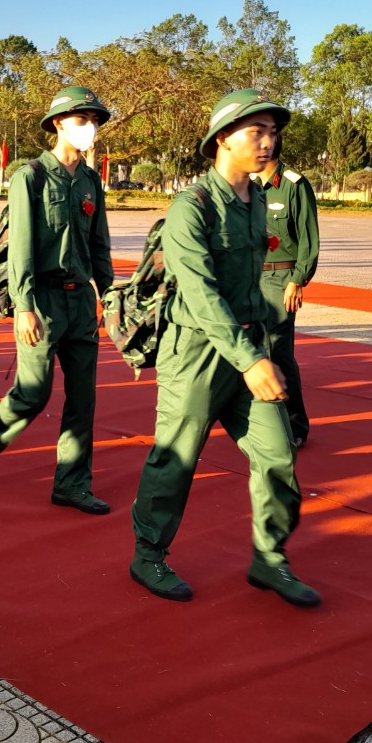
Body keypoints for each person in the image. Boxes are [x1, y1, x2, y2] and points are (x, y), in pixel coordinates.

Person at [129, 89, 317, 607]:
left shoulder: (256, 198)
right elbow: (200, 292)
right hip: (196, 353)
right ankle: (148, 554)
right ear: (221, 140)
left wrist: (262, 346)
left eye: (273, 132)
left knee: (278, 455)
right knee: (176, 458)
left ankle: (269, 559)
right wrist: (252, 358)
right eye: (256, 132)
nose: (268, 142)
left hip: (248, 346)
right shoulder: (191, 206)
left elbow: (249, 284)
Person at [0, 86, 114, 514]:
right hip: (41, 300)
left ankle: (72, 483)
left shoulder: (90, 181)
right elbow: (23, 246)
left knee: (84, 399)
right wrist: (24, 305)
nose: (90, 128)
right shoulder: (30, 175)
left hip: (80, 303)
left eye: (95, 121)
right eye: (82, 120)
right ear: (59, 124)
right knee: (34, 392)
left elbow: (98, 245)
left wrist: (112, 296)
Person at [257, 155, 319, 449]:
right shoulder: (248, 183)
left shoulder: (294, 184)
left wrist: (298, 279)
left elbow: (308, 238)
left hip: (280, 277)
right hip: (251, 275)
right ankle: (265, 423)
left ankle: (295, 424)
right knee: (254, 349)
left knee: (278, 350)